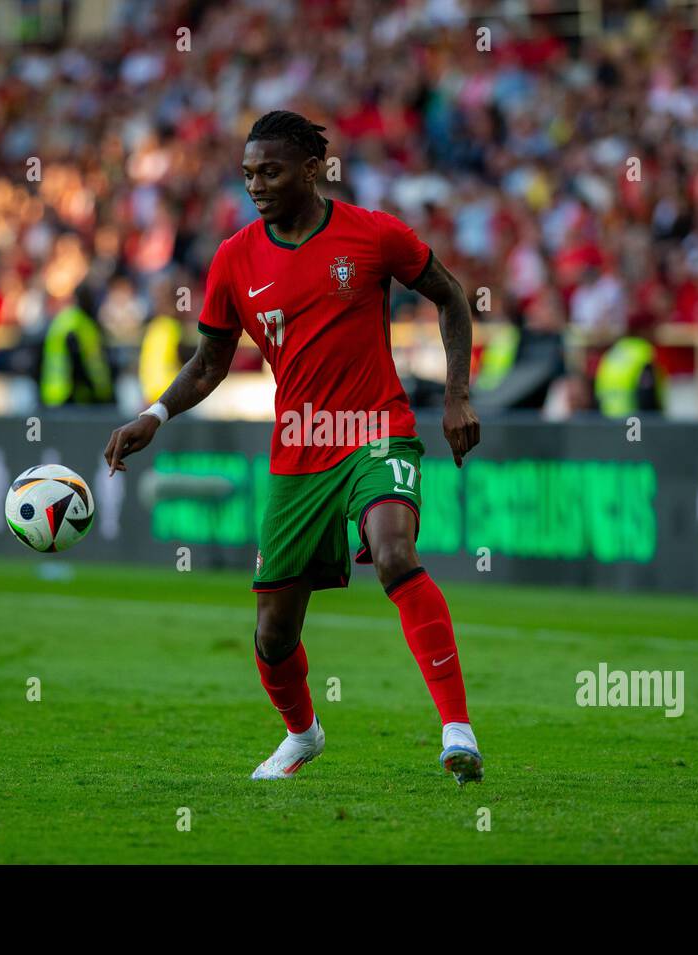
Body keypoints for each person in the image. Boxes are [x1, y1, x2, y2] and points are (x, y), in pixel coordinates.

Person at [103, 111, 484, 785]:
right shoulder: (234, 258)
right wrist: (154, 414)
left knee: (394, 552)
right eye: (249, 172)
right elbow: (210, 362)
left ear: (313, 169)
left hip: (376, 429)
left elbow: (452, 297)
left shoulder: (373, 234)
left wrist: (457, 395)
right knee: (273, 634)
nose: (256, 184)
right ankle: (303, 734)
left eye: (271, 170)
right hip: (299, 449)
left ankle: (457, 729)